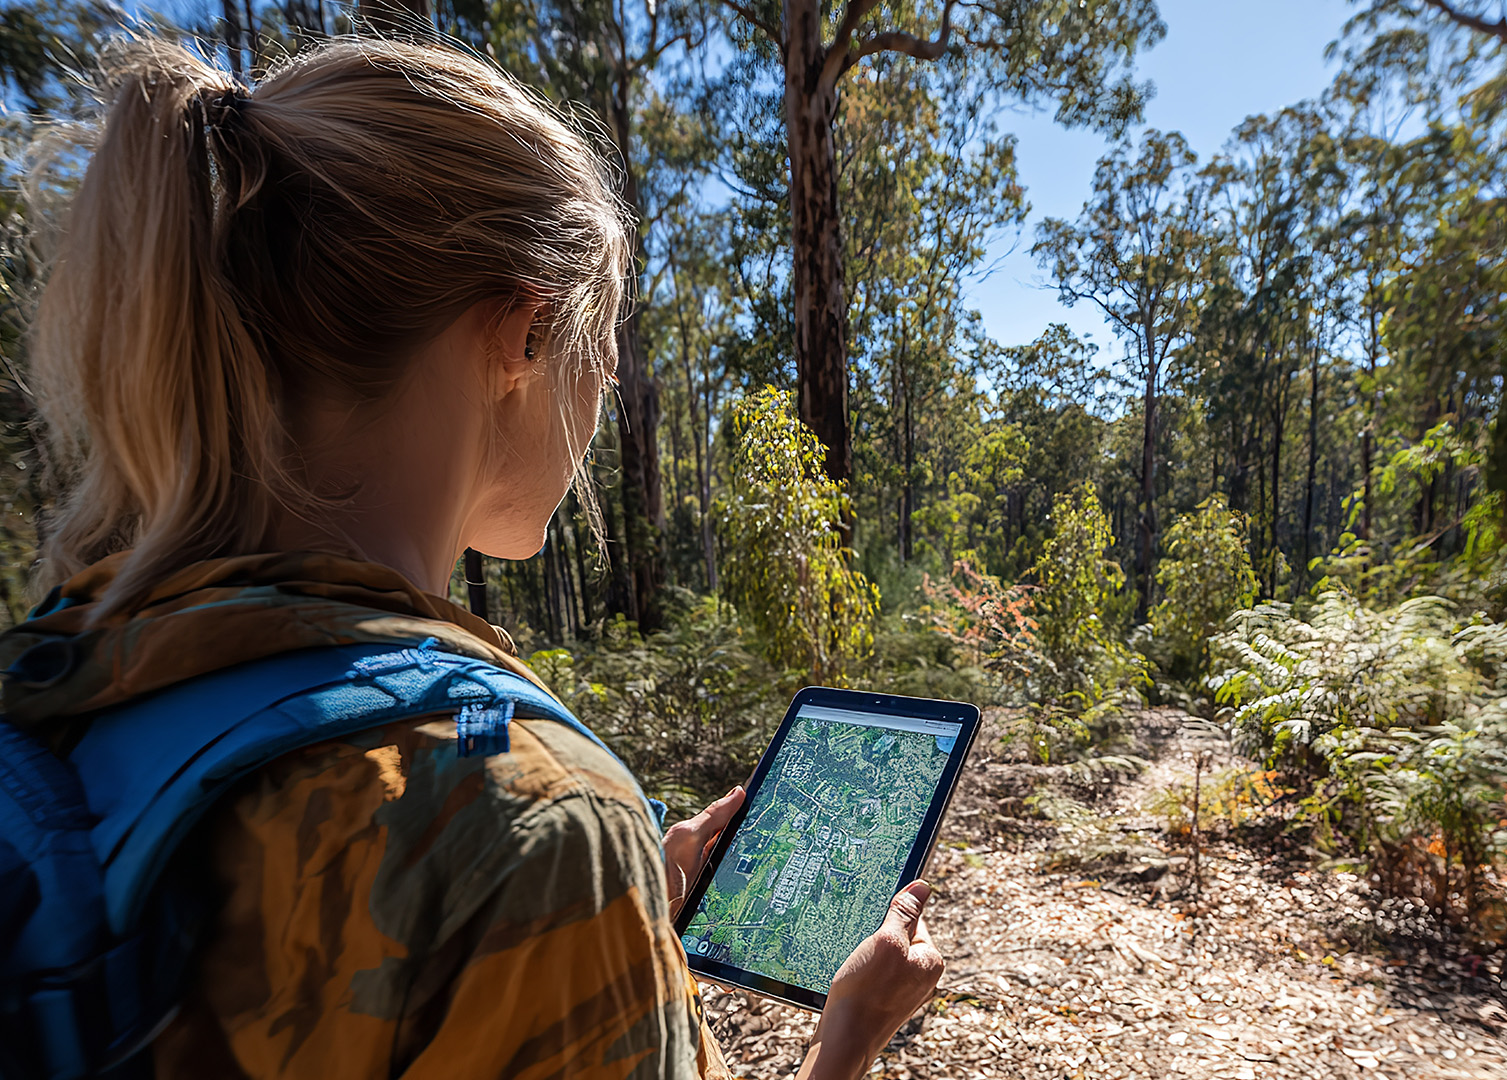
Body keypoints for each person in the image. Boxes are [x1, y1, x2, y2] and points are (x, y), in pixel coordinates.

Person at [3, 34, 942, 1079]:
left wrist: (630, 902)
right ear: (524, 335)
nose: (609, 379)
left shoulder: (72, 675)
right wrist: (846, 1041)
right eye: (605, 336)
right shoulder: (535, 827)